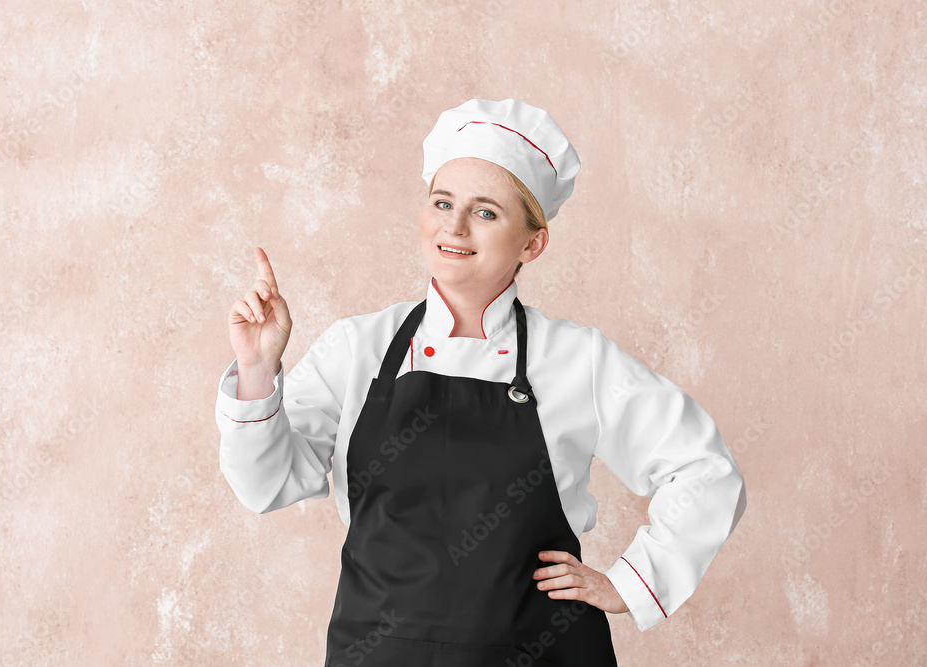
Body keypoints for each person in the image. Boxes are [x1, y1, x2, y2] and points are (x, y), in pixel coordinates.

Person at [215, 98, 747, 666]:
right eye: (442, 203)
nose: (454, 226)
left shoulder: (577, 360)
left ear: (532, 244)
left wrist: (632, 583)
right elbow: (265, 485)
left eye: (486, 212)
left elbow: (705, 471)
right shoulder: (357, 348)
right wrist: (257, 368)